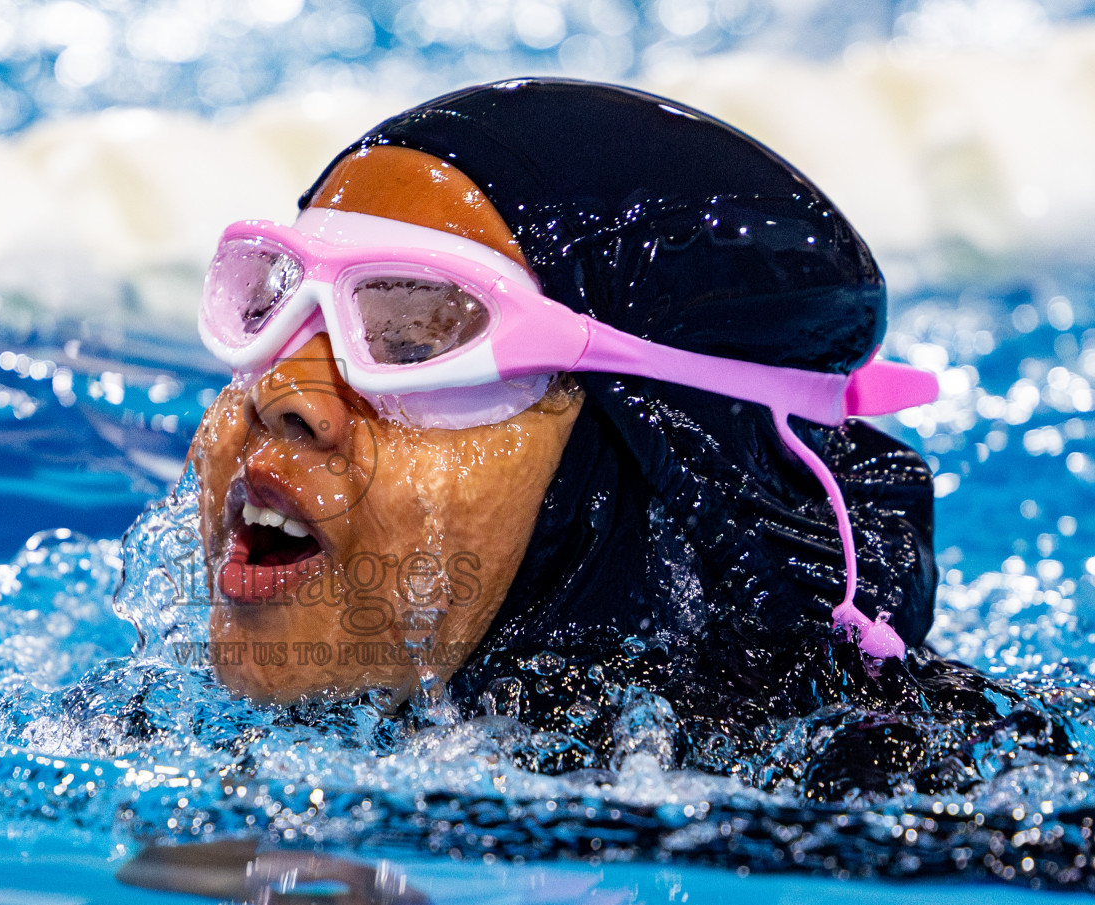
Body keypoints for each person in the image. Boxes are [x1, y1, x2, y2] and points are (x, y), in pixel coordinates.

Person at [183, 79, 1054, 799]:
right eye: (276, 303)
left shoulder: (920, 798)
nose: (285, 397)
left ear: (659, 457)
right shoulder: (157, 731)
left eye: (419, 338)